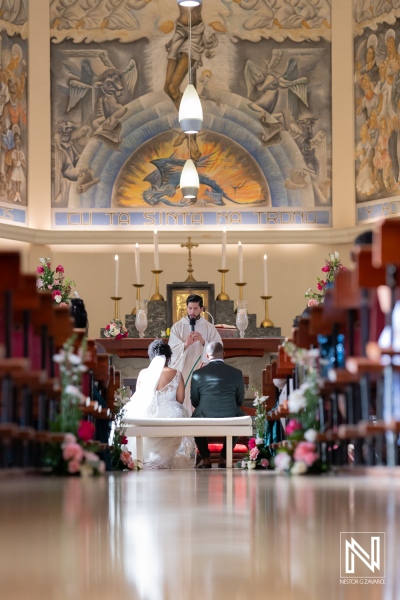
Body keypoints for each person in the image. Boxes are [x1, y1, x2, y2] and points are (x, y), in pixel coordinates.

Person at [125, 339, 194, 469]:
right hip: (170, 417)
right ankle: (163, 462)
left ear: (151, 357)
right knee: (179, 412)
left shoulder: (143, 373)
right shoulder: (176, 374)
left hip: (146, 416)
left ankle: (144, 460)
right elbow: (180, 399)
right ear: (168, 357)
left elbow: (138, 397)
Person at [191, 341, 245, 469]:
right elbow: (240, 400)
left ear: (207, 356)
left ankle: (205, 458)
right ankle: (224, 457)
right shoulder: (237, 373)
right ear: (224, 355)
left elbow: (194, 401)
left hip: (205, 414)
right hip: (230, 414)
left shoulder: (197, 374)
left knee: (195, 418)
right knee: (237, 415)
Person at [168, 294, 222, 413]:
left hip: (202, 368)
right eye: (190, 308)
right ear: (186, 308)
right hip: (184, 368)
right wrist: (185, 344)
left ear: (202, 309)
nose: (192, 311)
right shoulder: (177, 327)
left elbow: (218, 347)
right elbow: (171, 349)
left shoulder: (209, 327)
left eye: (195, 308)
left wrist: (204, 342)